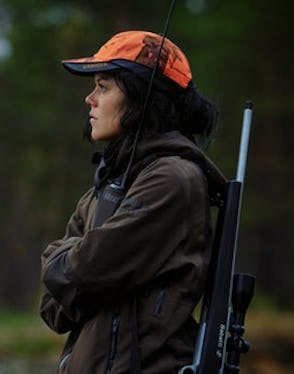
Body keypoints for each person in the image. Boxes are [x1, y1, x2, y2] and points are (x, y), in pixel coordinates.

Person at [39, 30, 226, 373]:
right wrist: (72, 273)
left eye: (103, 86)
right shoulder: (112, 183)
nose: (89, 99)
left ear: (143, 98)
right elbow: (53, 306)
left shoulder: (172, 179)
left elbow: (81, 272)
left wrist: (69, 270)